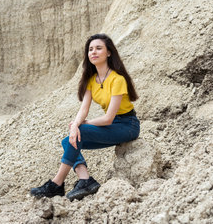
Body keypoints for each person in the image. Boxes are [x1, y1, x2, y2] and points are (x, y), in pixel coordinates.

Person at [30, 33, 140, 201]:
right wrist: (75, 124)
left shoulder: (117, 79)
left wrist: (82, 125)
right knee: (68, 140)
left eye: (98, 48)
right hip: (113, 126)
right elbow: (84, 109)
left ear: (108, 52)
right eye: (90, 49)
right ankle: (85, 179)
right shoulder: (91, 80)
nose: (93, 52)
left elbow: (108, 118)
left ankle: (56, 184)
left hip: (127, 126)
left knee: (79, 131)